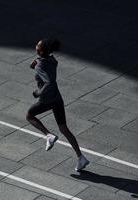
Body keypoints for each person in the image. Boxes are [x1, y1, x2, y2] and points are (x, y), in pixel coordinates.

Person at [26, 38, 89, 171]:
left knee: (29, 115)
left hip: (47, 99)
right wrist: (36, 64)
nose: (35, 46)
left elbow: (49, 81)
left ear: (41, 50)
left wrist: (38, 93)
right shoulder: (52, 60)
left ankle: (48, 135)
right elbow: (48, 65)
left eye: (37, 45)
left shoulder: (40, 65)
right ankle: (80, 157)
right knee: (64, 128)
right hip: (57, 99)